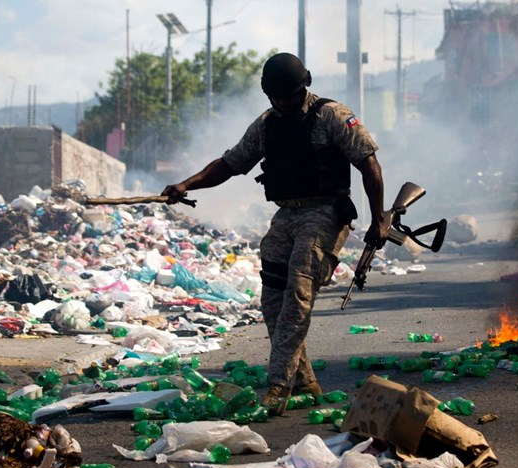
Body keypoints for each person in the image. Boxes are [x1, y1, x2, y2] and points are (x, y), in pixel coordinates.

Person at [161, 53, 387, 414]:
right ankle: (304, 380)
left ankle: (279, 383)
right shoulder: (267, 124)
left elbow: (368, 163)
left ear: (305, 85)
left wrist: (379, 219)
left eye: (287, 95)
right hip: (287, 214)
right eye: (274, 97)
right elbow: (231, 163)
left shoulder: (332, 115)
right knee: (273, 298)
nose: (281, 102)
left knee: (298, 294)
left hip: (326, 211)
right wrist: (187, 184)